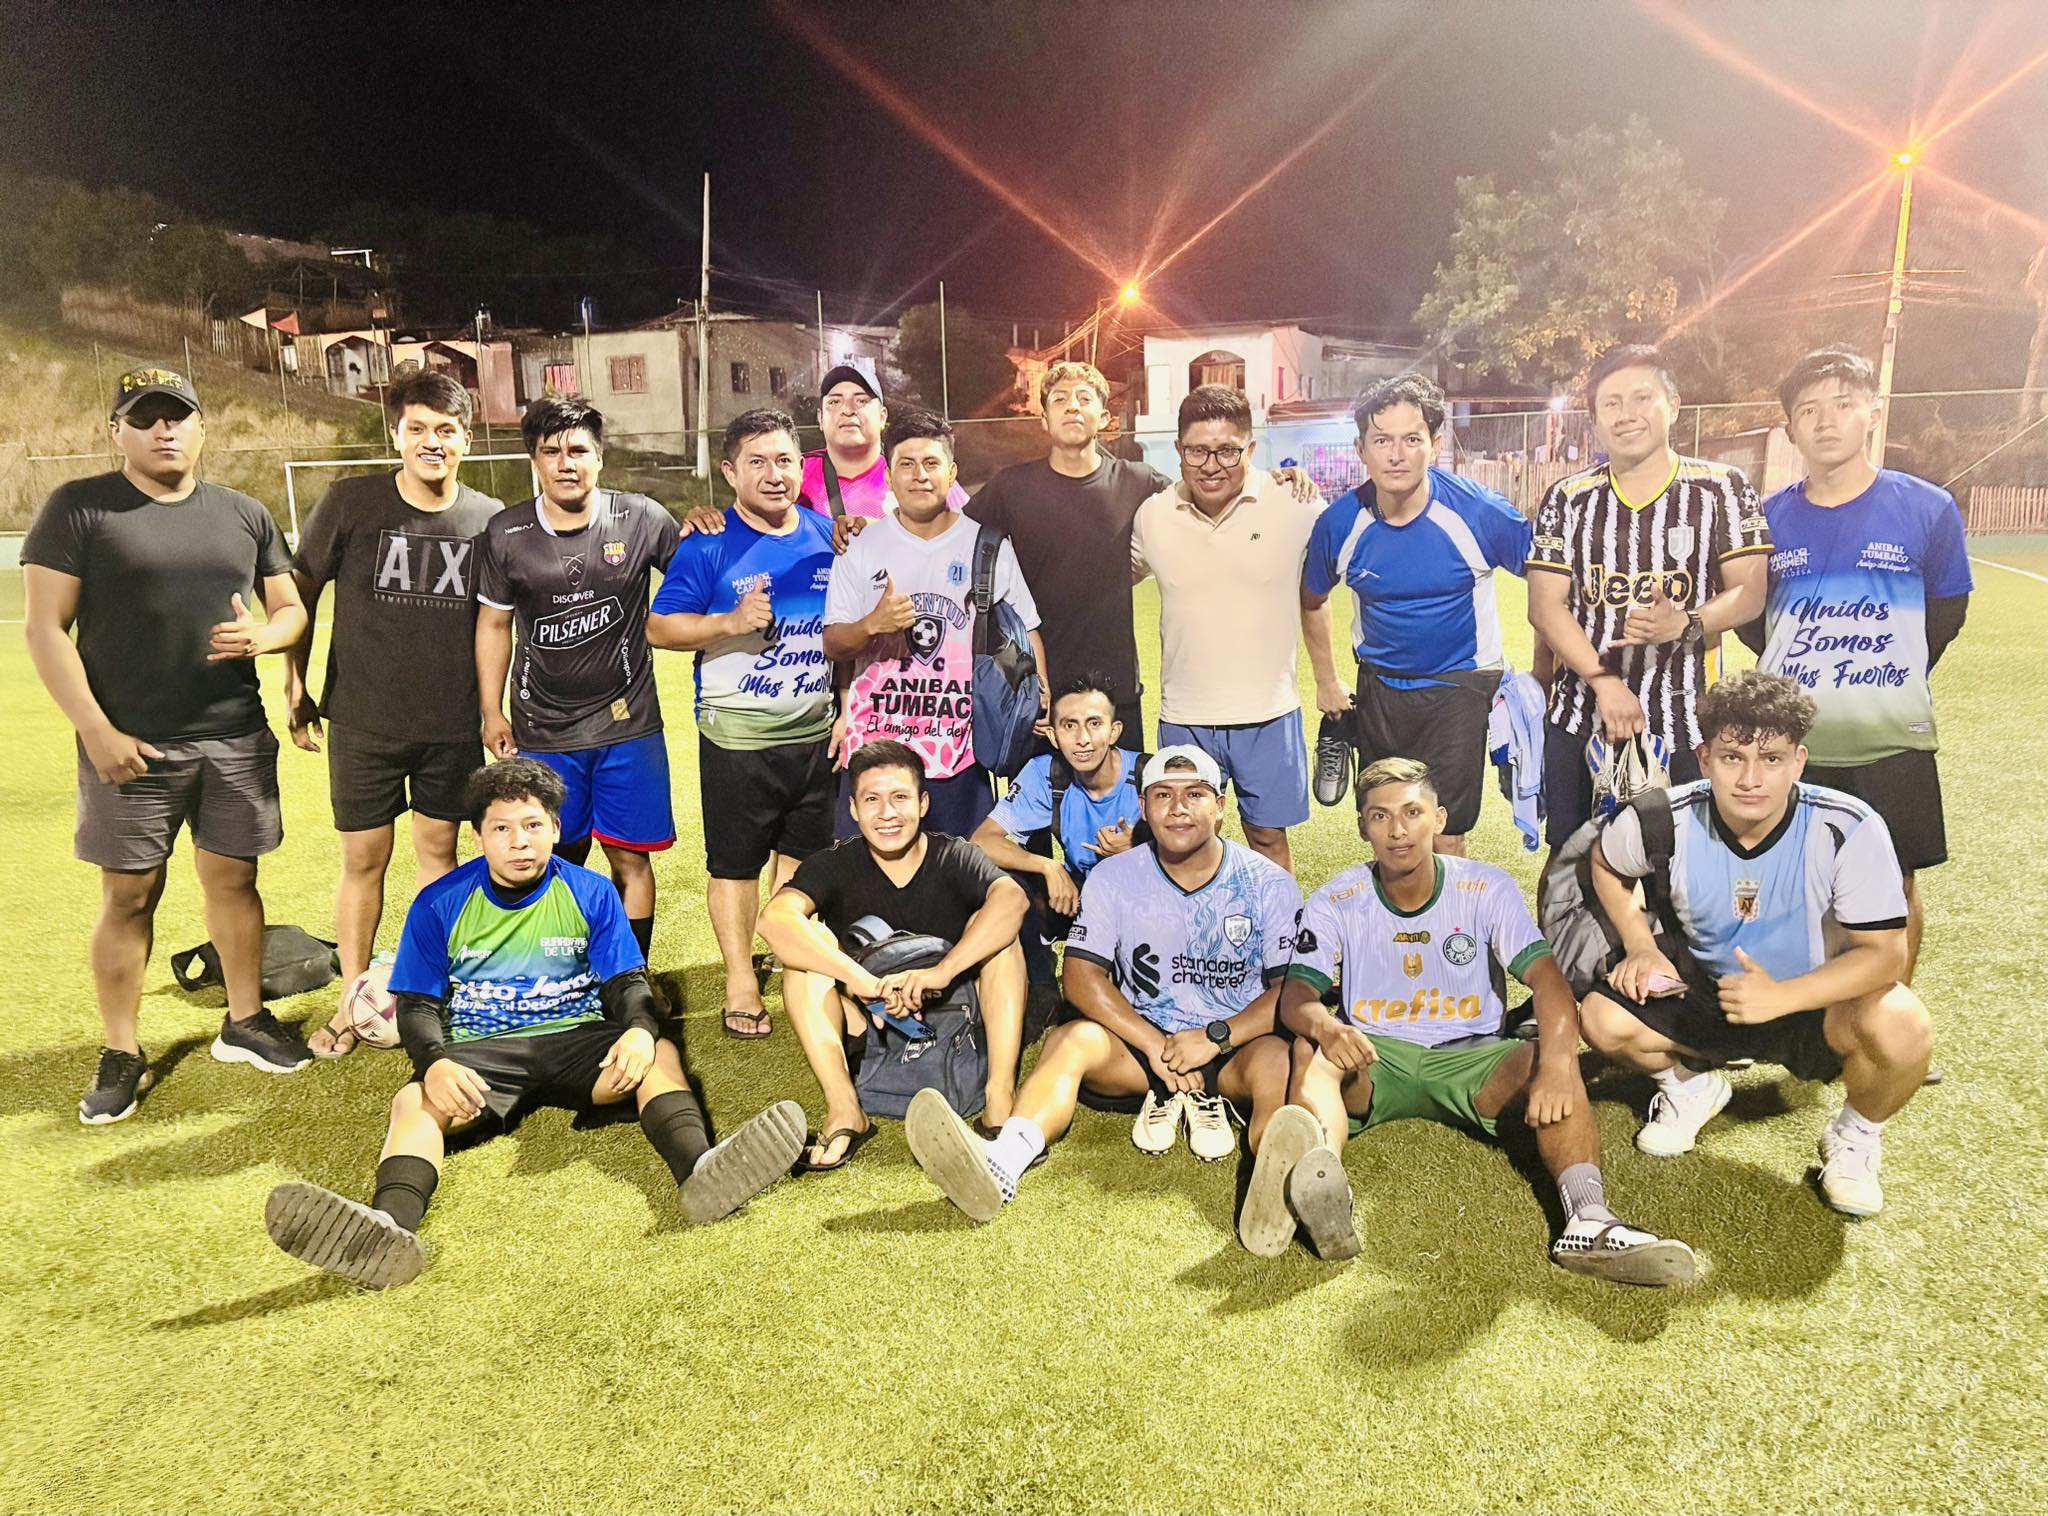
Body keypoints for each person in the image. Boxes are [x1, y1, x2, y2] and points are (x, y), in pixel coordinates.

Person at [262, 760, 805, 1289]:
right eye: (502, 829)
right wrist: (436, 1063)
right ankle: (389, 1229)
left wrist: (640, 1031)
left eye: (532, 826)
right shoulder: (439, 903)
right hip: (482, 1052)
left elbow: (626, 982)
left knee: (659, 1055)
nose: (519, 842)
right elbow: (418, 1005)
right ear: (478, 836)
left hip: (578, 1042)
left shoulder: (591, 891)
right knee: (413, 1102)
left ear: (556, 829)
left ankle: (701, 1172)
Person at [1273, 758, 1696, 1282]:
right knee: (1312, 1048)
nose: (1398, 829)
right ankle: (1323, 1182)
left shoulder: (1485, 887)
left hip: (1474, 1058)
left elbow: (1548, 983)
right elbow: (1297, 998)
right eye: (1380, 816)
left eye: (1412, 812)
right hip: (1377, 1059)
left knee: (1547, 1058)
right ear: (1363, 827)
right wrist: (1329, 1027)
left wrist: (1559, 1066)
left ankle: (1589, 1220)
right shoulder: (1338, 898)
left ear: (1439, 818)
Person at [23, 367, 314, 1123]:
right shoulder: (81, 507)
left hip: (234, 736)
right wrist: (97, 730)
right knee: (129, 895)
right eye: (145, 418)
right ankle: (122, 1048)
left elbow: (291, 609)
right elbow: (44, 629)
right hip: (131, 744)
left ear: (202, 427)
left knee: (235, 882)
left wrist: (266, 635)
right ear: (116, 431)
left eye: (178, 416)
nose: (164, 429)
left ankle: (244, 1021)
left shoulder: (244, 513)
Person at [905, 747, 1312, 1258]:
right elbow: (1080, 978)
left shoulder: (1268, 882)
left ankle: (1277, 1190)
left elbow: (1289, 990)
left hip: (1235, 1049)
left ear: (1221, 806)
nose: (1178, 808)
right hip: (1142, 1051)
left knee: (1279, 1061)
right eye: (1163, 796)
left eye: (1195, 795)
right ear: (1143, 807)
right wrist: (1155, 1043)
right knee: (1071, 1041)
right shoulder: (1114, 876)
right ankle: (1001, 1165)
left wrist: (1215, 1037)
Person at [1577, 671, 1933, 1218]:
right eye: (1732, 757)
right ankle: (1690, 1088)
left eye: (1771, 759)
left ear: (1798, 761)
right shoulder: (1659, 819)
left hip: (1815, 1001)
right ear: (1704, 759)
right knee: (1602, 1018)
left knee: (1903, 1024)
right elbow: (1606, 864)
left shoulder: (1848, 826)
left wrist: (1784, 996)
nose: (1750, 779)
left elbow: (1886, 955)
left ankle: (1855, 1136)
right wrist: (1640, 945)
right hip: (1706, 990)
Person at [284, 370, 503, 1057]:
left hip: (451, 725)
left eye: (446, 430)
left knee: (439, 857)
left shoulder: (489, 519)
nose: (432, 442)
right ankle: (353, 1000)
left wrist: (493, 710)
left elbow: (500, 622)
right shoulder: (351, 502)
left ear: (466, 438)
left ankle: (429, 991)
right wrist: (293, 681)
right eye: (418, 429)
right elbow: (299, 592)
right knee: (363, 859)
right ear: (397, 434)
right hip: (364, 721)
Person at [1748, 347, 1971, 982]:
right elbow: (1752, 616)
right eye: (1808, 410)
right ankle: (1813, 1018)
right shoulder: (1766, 519)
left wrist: (1887, 670)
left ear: (1872, 414)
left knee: (1894, 885)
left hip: (1890, 737)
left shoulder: (1928, 507)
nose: (1826, 421)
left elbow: (1947, 610)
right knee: (1802, 887)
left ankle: (1890, 1017)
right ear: (1790, 428)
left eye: (1843, 404)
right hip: (1796, 744)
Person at [1526, 345, 1771, 850]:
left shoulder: (1722, 489)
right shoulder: (1568, 498)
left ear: (1673, 405)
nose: (1626, 414)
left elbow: (1750, 591)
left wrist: (1686, 623)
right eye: (1611, 403)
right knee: (1573, 862)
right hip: (1581, 717)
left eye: (1642, 398)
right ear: (1595, 419)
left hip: (1686, 723)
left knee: (1680, 868)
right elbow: (1545, 606)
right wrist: (1604, 682)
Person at [649, 408, 839, 1040]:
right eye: (757, 462)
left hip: (814, 735)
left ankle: (792, 960)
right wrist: (729, 623)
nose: (773, 474)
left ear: (802, 467)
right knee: (735, 866)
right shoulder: (708, 543)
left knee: (801, 861)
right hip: (737, 738)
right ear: (730, 472)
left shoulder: (828, 535)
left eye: (784, 460)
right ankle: (739, 979)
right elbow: (660, 627)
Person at [756, 742, 1029, 1170]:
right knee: (804, 958)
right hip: (872, 1021)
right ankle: (845, 1110)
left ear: (923, 803)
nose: (887, 813)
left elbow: (1013, 899)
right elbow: (774, 920)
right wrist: (862, 982)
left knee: (1002, 939)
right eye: (872, 800)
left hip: (953, 1015)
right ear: (853, 808)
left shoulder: (953, 854)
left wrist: (942, 973)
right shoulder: (834, 863)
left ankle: (999, 1101)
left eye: (900, 797)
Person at [474, 399, 680, 962]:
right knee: (551, 859)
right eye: (552, 451)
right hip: (542, 731)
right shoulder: (506, 532)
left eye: (578, 450)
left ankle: (629, 980)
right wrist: (491, 711)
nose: (566, 463)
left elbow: (701, 570)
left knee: (631, 860)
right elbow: (493, 624)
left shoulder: (641, 517)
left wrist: (712, 523)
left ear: (600, 457)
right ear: (534, 460)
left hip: (629, 725)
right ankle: (562, 980)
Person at [1302, 375, 1532, 857]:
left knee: (1445, 832)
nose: (1396, 455)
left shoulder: (1480, 512)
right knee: (1388, 826)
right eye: (1382, 440)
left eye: (1411, 439)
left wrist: (1546, 674)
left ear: (1436, 445)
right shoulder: (1340, 523)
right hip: (1380, 689)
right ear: (1361, 449)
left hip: (1459, 688)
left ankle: (1450, 909)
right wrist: (1325, 680)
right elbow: (1312, 598)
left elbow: (1550, 583)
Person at [824, 407, 1047, 840]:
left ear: (952, 473)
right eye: (906, 464)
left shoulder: (987, 545)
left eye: (931, 463)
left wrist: (1040, 697)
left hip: (958, 750)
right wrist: (872, 624)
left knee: (961, 874)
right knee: (867, 877)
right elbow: (834, 643)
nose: (920, 475)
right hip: (877, 752)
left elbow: (1027, 629)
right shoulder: (862, 547)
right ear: (889, 476)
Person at [1133, 385, 1328, 873]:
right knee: (1186, 842)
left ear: (1251, 448)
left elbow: (1330, 579)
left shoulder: (1294, 503)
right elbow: (1103, 577)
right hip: (1185, 713)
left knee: (1267, 837)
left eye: (1227, 450)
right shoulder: (1153, 516)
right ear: (1179, 449)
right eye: (1197, 451)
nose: (1211, 465)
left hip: (1269, 710)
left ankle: (1281, 922)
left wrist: (1329, 678)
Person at [970, 673, 1145, 1010]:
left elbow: (1197, 855)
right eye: (1069, 725)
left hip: (1139, 900)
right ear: (1052, 735)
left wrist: (1138, 848)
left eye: (1094, 724)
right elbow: (982, 841)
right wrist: (1047, 866)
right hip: (1077, 895)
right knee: (1006, 883)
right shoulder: (1046, 774)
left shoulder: (1147, 776)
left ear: (1114, 731)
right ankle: (1043, 989)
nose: (1083, 739)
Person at [799, 363, 968, 522]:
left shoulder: (923, 473)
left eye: (861, 401)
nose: (848, 410)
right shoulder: (796, 473)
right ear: (820, 418)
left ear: (882, 417)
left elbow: (970, 532)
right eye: (835, 402)